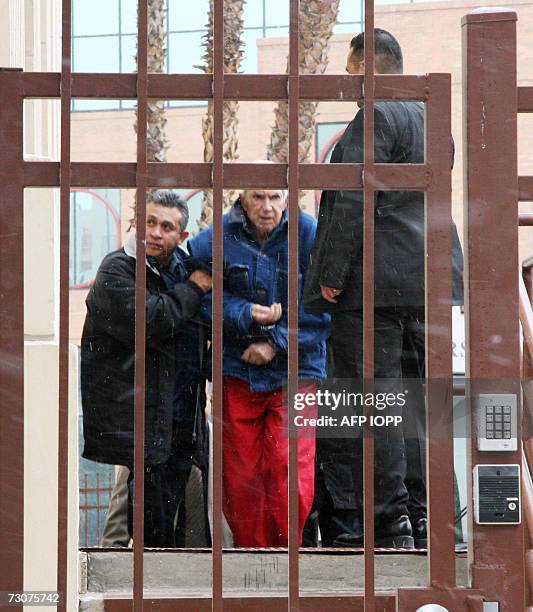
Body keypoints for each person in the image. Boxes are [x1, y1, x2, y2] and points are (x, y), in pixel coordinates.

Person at [302, 29, 463, 548]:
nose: (350, 84)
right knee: (420, 403)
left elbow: (353, 199)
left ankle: (389, 521)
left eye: (352, 74)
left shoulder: (375, 116)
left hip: (375, 284)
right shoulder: (432, 120)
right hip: (429, 279)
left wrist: (330, 273)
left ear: (367, 67)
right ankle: (430, 517)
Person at [189, 188, 330, 547]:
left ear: (287, 198)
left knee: (290, 467)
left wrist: (276, 341)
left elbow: (328, 304)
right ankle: (251, 556)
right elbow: (199, 296)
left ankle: (286, 555)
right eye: (258, 197)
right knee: (240, 475)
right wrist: (245, 312)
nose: (267, 207)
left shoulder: (310, 233)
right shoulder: (214, 239)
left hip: (296, 373)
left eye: (275, 197)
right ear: (242, 199)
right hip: (237, 372)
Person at [81, 190, 212, 548]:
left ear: (182, 237)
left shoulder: (181, 270)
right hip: (139, 417)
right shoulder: (117, 268)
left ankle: (163, 590)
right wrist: (195, 288)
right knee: (148, 520)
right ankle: (145, 592)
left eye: (166, 226)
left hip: (183, 417)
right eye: (149, 222)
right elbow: (151, 320)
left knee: (175, 522)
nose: (154, 232)